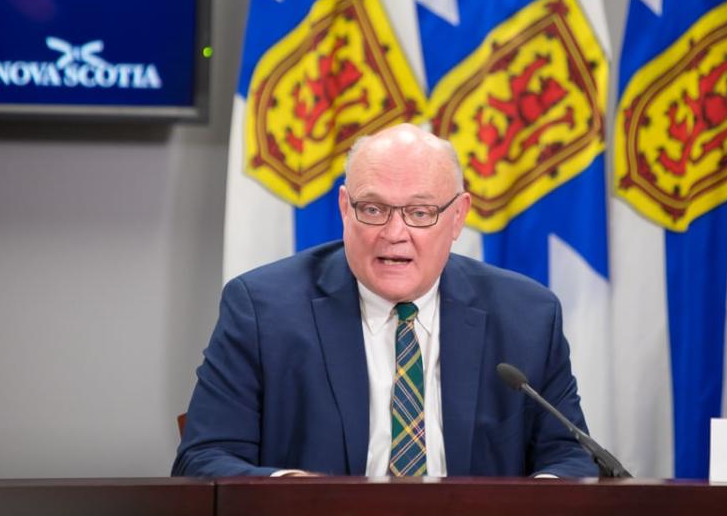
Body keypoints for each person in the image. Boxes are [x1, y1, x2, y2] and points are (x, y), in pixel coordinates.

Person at [172, 123, 597, 477]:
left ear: (457, 218)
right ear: (344, 208)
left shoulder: (527, 316)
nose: (394, 233)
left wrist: (535, 504)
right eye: (373, 209)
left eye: (420, 213)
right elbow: (202, 459)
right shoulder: (262, 309)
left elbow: (570, 457)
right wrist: (293, 494)